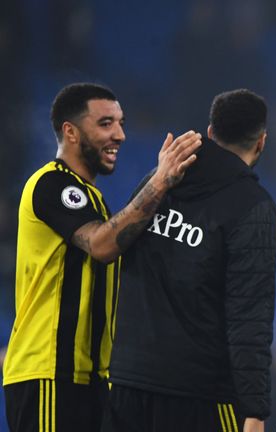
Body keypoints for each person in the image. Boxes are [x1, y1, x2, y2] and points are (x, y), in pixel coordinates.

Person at [2, 82, 201, 432]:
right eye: (106, 123)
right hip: (50, 374)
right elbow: (102, 245)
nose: (120, 135)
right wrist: (159, 182)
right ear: (71, 132)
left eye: (121, 123)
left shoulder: (92, 198)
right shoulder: (51, 184)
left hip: (90, 377)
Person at [103, 89, 276, 432]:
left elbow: (115, 254)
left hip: (126, 384)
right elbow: (250, 316)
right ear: (261, 142)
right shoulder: (252, 206)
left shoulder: (159, 182)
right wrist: (255, 411)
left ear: (211, 133)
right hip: (200, 396)